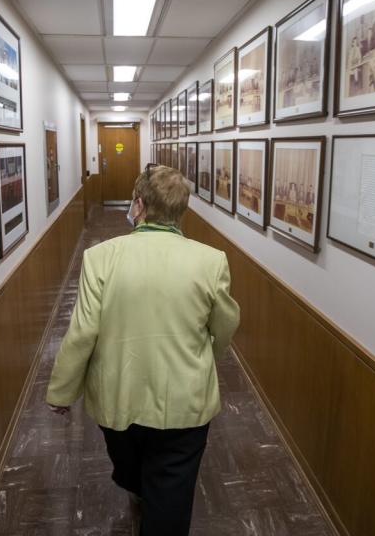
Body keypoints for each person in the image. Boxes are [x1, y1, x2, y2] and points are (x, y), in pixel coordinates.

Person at [46, 166, 240, 536]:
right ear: (180, 211)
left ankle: (139, 491)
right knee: (172, 491)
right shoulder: (210, 261)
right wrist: (209, 355)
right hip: (185, 401)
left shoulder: (100, 257)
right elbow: (225, 325)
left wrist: (62, 391)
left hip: (118, 398)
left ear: (139, 205)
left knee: (129, 464)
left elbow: (83, 332)